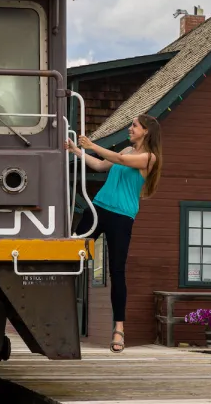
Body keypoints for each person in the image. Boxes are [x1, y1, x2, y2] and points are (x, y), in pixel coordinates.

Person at [65, 115, 163, 353]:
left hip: (121, 217)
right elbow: (100, 165)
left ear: (146, 132)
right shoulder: (128, 149)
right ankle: (59, 313)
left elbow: (118, 159)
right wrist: (77, 151)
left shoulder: (149, 158)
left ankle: (118, 328)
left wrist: (92, 145)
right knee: (69, 254)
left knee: (117, 271)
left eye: (134, 126)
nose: (130, 129)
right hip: (98, 208)